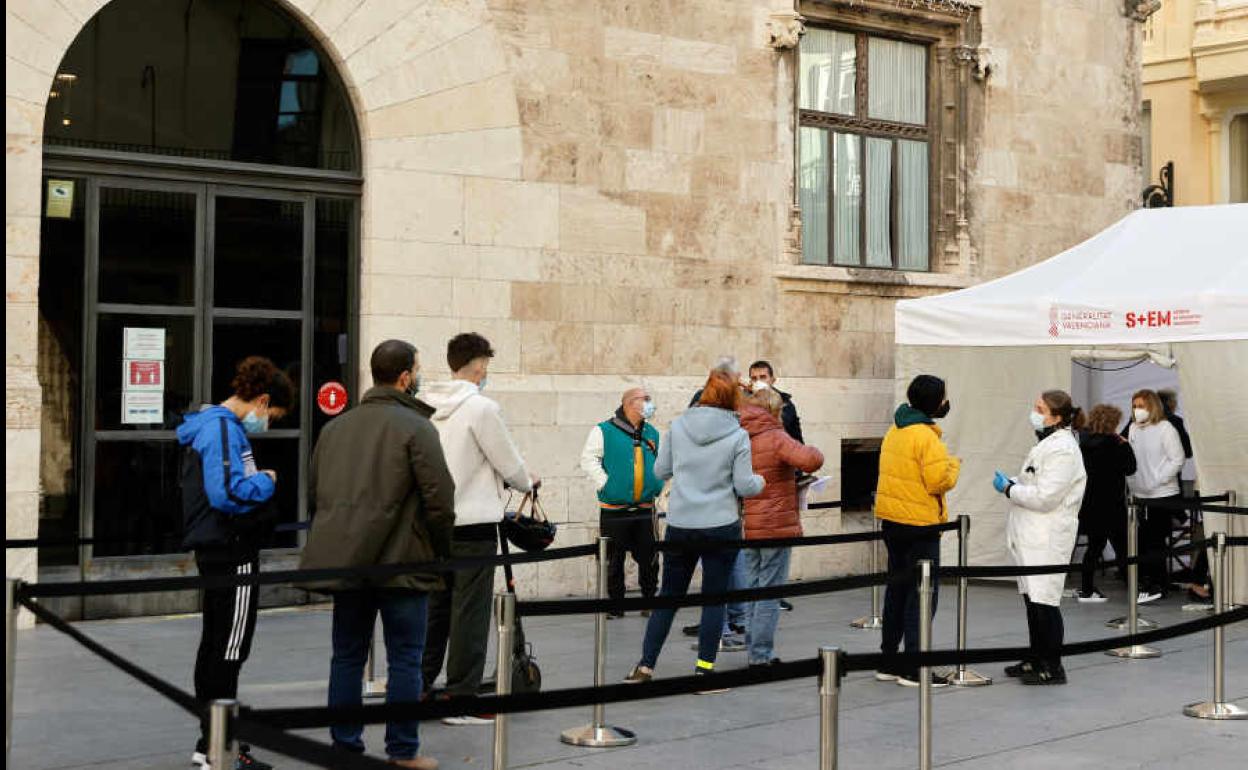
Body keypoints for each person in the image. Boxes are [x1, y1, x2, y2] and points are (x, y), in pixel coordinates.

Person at [300, 340, 454, 770]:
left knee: (346, 656)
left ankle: (344, 747)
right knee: (405, 657)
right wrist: (440, 553)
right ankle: (402, 751)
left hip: (350, 560)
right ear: (405, 377)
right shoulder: (417, 428)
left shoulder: (335, 429)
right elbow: (440, 500)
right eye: (418, 370)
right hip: (404, 562)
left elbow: (317, 494)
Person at [179, 356, 294, 770]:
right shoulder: (224, 430)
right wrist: (268, 479)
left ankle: (210, 740)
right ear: (261, 400)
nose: (268, 423)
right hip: (233, 548)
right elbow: (227, 491)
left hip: (214, 547)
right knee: (230, 648)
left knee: (215, 643)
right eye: (273, 415)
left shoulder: (208, 424)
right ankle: (219, 747)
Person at [421, 332, 537, 724]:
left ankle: (420, 685)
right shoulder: (482, 408)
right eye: (486, 365)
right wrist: (526, 481)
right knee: (469, 613)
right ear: (479, 366)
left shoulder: (425, 404)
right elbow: (508, 461)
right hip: (473, 522)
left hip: (433, 523)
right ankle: (461, 695)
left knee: (435, 609)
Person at [624, 369, 764, 687]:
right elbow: (745, 485)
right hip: (720, 525)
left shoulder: (679, 425)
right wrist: (761, 481)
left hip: (682, 523)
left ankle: (646, 666)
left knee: (668, 596)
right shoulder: (738, 434)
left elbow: (661, 469)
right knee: (714, 599)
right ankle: (703, 668)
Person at [994, 390, 1088, 686]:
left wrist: (1010, 490)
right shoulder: (1048, 443)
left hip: (1046, 537)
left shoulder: (1063, 449)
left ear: (1057, 417)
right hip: (1030, 534)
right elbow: (1034, 480)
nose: (1034, 412)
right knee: (1032, 599)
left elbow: (1046, 497)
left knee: (1045, 601)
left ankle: (1052, 666)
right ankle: (1035, 658)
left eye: (1040, 408)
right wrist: (1014, 482)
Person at [872, 374, 960, 688]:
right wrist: (954, 466)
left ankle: (889, 659)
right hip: (920, 524)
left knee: (897, 590)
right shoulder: (926, 436)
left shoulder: (895, 429)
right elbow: (938, 480)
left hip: (892, 521)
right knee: (922, 595)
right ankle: (914, 665)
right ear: (935, 402)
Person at [737, 385, 824, 667]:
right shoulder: (775, 435)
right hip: (776, 525)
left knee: (752, 587)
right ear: (775, 410)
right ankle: (760, 655)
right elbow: (811, 460)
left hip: (750, 523)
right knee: (769, 592)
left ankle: (752, 646)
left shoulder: (742, 435)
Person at [579, 387, 663, 617]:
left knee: (650, 557)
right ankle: (616, 605)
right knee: (614, 558)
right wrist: (605, 484)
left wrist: (657, 484)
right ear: (628, 404)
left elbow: (660, 462)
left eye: (649, 399)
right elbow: (589, 459)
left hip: (645, 508)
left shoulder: (652, 432)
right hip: (614, 509)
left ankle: (649, 601)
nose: (649, 403)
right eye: (644, 399)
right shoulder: (603, 430)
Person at [1125, 388, 1186, 602]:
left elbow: (1177, 459)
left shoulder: (1165, 428)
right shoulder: (1132, 428)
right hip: (1139, 494)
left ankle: (1158, 585)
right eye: (1134, 406)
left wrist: (1157, 480)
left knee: (1156, 541)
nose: (1137, 410)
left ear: (1152, 406)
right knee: (1143, 541)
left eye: (1141, 406)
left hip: (1162, 494)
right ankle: (1149, 581)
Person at [1073, 404, 1136, 603]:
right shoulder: (1116, 444)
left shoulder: (1083, 444)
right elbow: (1130, 468)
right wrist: (1126, 445)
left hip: (1090, 504)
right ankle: (1134, 587)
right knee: (1124, 548)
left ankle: (1087, 588)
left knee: (1094, 548)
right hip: (1112, 504)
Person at [746, 360, 804, 444]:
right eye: (754, 378)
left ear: (772, 380)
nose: (758, 382)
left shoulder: (785, 403)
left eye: (763, 377)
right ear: (750, 382)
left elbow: (790, 433)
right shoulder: (743, 403)